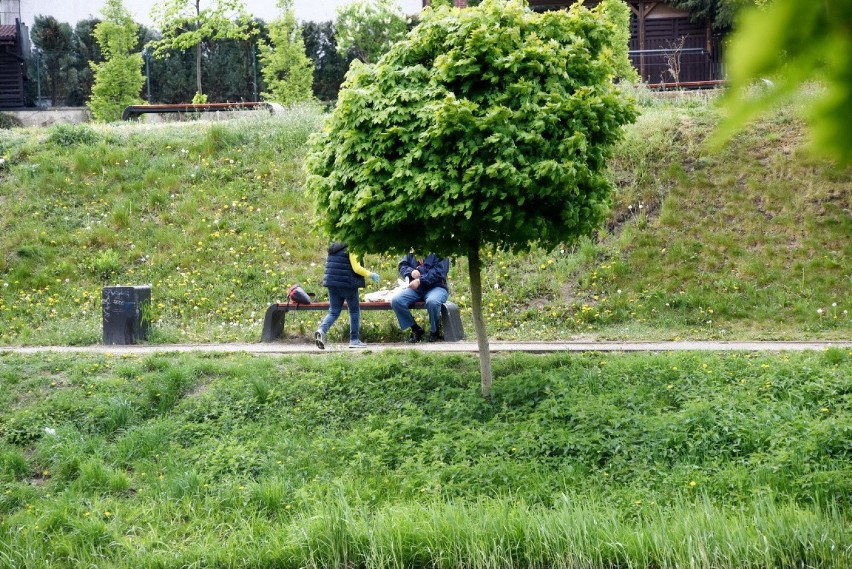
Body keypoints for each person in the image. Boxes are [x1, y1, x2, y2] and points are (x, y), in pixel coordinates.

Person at [315, 242, 379, 349]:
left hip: (332, 283)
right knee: (354, 311)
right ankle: (354, 340)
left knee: (334, 311)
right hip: (348, 284)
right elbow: (356, 268)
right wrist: (370, 274)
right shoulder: (352, 247)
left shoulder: (333, 247)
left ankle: (321, 330)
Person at [391, 251, 449, 343]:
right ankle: (416, 329)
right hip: (416, 289)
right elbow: (402, 266)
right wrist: (411, 272)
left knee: (432, 302)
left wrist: (420, 280)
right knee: (396, 300)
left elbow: (439, 272)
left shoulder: (439, 250)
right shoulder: (412, 251)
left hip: (436, 287)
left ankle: (435, 331)